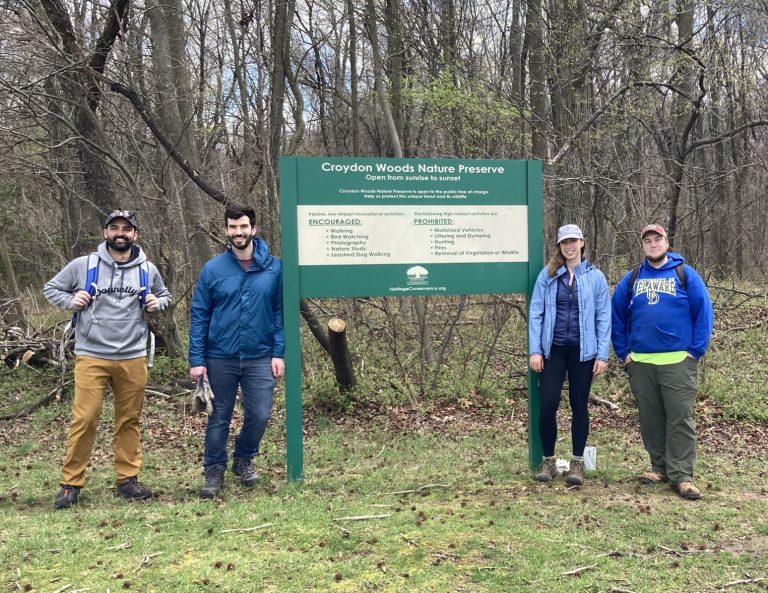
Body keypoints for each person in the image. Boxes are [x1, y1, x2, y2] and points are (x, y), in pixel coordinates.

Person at [44, 210, 172, 509]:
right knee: (84, 418)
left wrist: (157, 302)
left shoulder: (147, 269)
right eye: (114, 228)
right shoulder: (83, 265)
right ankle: (70, 484)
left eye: (126, 229)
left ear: (135, 235)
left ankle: (127, 479)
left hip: (133, 356)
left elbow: (164, 295)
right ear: (105, 233)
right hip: (91, 355)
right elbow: (51, 288)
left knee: (129, 420)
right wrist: (70, 300)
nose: (120, 233)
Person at [612, 224, 713, 500]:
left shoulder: (685, 274)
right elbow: (617, 316)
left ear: (666, 242)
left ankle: (681, 476)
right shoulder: (632, 278)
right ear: (642, 245)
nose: (653, 244)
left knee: (679, 417)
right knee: (651, 418)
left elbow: (704, 312)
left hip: (678, 361)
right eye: (648, 240)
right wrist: (624, 353)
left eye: (658, 239)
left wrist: (695, 351)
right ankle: (659, 467)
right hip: (641, 362)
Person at [189, 206, 285, 498]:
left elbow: (280, 312)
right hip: (220, 356)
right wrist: (196, 359)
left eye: (243, 226)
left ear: (254, 229)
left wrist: (278, 352)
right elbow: (200, 314)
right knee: (219, 416)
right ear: (227, 231)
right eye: (233, 227)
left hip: (260, 356)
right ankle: (214, 470)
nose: (238, 232)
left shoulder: (275, 268)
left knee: (259, 414)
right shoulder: (213, 269)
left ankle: (243, 459)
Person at [528, 224, 611, 485]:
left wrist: (602, 354)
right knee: (548, 404)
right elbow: (536, 313)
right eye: (564, 242)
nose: (569, 246)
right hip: (553, 351)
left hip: (583, 353)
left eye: (573, 241)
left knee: (579, 405)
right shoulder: (549, 275)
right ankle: (548, 461)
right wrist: (535, 350)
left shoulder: (595, 277)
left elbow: (603, 317)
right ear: (560, 246)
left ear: (582, 243)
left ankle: (577, 463)